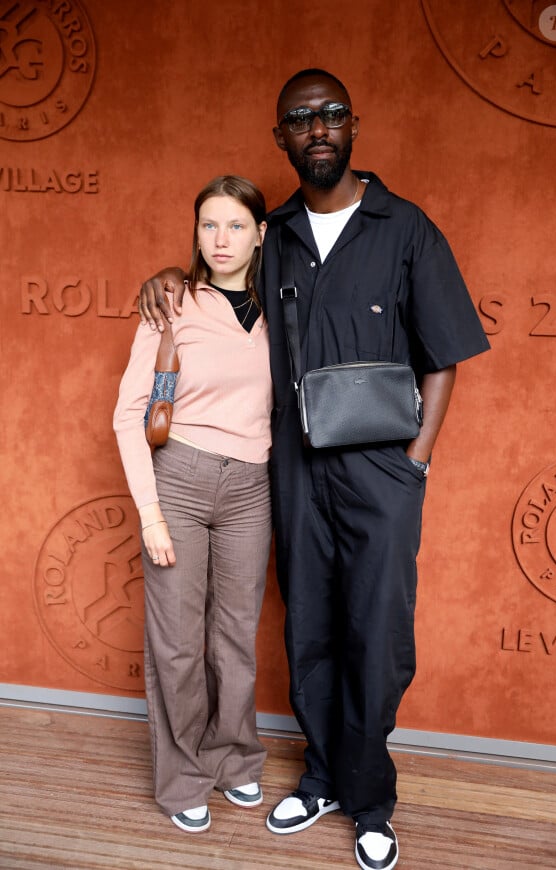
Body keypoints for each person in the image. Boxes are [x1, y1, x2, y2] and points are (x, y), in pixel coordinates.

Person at [137, 70, 490, 870]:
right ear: (281, 140)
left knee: (379, 636)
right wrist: (164, 279)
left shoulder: (406, 229)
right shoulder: (278, 233)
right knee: (311, 631)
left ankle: (371, 799)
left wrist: (416, 464)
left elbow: (446, 358)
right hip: (293, 473)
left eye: (331, 113)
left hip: (381, 474)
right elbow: (219, 291)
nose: (318, 127)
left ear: (354, 124)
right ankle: (324, 776)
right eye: (301, 118)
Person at [114, 175, 273, 834]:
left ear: (260, 233)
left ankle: (234, 759)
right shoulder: (172, 301)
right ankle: (181, 778)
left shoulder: (280, 310)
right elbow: (127, 415)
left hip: (252, 488)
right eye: (210, 225)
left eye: (236, 225)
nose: (222, 238)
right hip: (178, 479)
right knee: (178, 644)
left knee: (234, 640)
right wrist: (150, 513)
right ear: (196, 233)